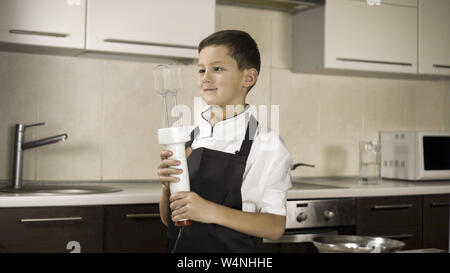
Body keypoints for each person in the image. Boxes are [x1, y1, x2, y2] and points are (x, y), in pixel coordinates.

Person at [157, 30, 292, 253]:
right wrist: (166, 188)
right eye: (201, 70)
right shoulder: (188, 136)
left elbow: (275, 227)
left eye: (217, 69)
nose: (205, 78)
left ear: (248, 77)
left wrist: (210, 211)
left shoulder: (266, 143)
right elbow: (168, 220)